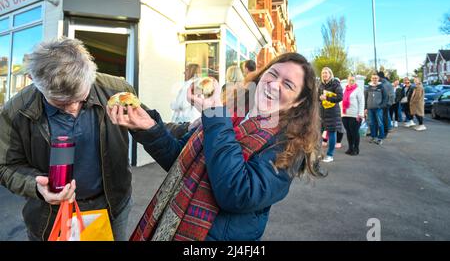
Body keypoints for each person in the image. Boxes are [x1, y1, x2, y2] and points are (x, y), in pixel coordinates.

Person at [107, 52, 326, 241]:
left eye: (288, 85)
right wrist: (149, 128)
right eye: (273, 74)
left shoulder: (289, 146)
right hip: (170, 225)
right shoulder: (229, 112)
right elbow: (179, 159)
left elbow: (237, 193)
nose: (274, 84)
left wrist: (215, 117)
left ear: (298, 101)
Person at [0, 37, 134, 241]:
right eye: (60, 104)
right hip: (48, 215)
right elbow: (5, 166)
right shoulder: (16, 111)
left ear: (91, 76)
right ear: (34, 82)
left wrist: (191, 129)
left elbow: (149, 125)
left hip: (112, 207)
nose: (72, 109)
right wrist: (35, 186)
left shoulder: (117, 91)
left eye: (80, 99)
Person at [319, 67, 343, 163]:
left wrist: (327, 98)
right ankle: (319, 153)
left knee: (332, 133)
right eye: (323, 73)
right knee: (319, 133)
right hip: (322, 112)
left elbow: (340, 97)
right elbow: (317, 96)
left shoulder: (335, 84)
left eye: (326, 73)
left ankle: (330, 155)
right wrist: (319, 97)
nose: (324, 74)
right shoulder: (320, 85)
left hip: (333, 112)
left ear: (330, 74)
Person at [341, 74, 365, 155]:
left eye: (353, 80)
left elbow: (362, 102)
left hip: (355, 115)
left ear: (355, 81)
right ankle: (350, 148)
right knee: (348, 132)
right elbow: (341, 101)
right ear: (347, 80)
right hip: (345, 115)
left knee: (354, 132)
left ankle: (356, 149)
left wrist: (361, 114)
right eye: (349, 80)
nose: (351, 82)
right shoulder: (344, 89)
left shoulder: (358, 90)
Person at [364, 73, 386, 145]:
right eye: (373, 78)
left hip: (378, 109)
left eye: (376, 78)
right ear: (371, 79)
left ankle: (380, 138)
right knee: (372, 123)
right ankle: (373, 136)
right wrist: (365, 108)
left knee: (380, 123)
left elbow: (385, 98)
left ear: (378, 79)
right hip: (370, 109)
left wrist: (381, 106)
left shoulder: (381, 87)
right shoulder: (368, 87)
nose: (374, 79)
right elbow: (365, 98)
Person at [377, 71, 394, 136]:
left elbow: (386, 95)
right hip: (387, 102)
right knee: (384, 117)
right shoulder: (385, 82)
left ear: (379, 77)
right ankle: (384, 131)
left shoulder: (384, 83)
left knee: (384, 118)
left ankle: (385, 132)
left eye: (377, 77)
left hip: (385, 103)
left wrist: (386, 103)